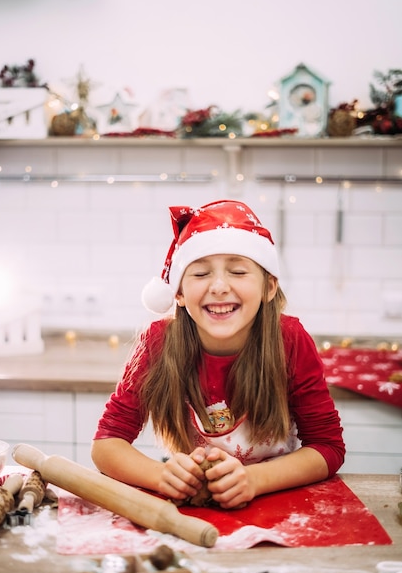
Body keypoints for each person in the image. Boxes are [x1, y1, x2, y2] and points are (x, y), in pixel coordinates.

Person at [92, 200, 345, 509]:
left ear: (269, 287)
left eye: (238, 271)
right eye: (200, 274)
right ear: (179, 293)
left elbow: (328, 447)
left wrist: (255, 480)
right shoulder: (158, 342)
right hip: (192, 506)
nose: (219, 287)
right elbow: (106, 445)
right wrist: (161, 476)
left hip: (275, 500)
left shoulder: (289, 340)